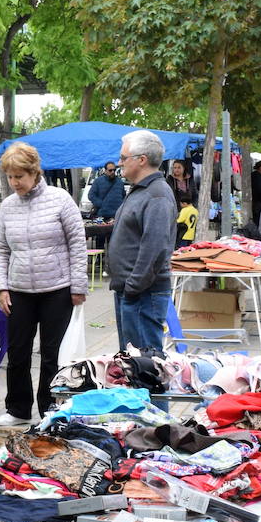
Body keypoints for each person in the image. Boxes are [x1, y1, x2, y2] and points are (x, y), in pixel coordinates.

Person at [0, 141, 87, 427]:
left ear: (35, 173)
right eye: (10, 176)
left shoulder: (60, 199)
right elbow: (2, 250)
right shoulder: (7, 207)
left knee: (51, 354)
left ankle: (49, 409)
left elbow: (78, 244)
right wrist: (1, 287)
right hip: (19, 291)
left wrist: (78, 286)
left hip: (57, 289)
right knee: (17, 352)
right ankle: (18, 409)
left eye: (19, 176)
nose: (14, 182)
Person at [107, 130, 177, 356]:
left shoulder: (156, 194)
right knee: (130, 363)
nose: (119, 163)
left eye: (123, 158)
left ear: (142, 160)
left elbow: (154, 249)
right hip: (133, 293)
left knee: (143, 365)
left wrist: (133, 287)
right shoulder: (142, 191)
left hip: (142, 295)